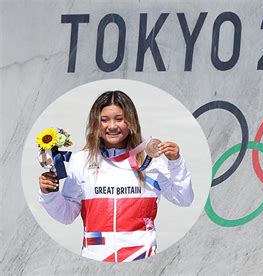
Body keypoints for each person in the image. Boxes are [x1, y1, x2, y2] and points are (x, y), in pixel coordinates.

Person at [38, 90, 194, 262]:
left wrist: (176, 162)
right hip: (95, 260)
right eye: (104, 120)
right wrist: (49, 194)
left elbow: (184, 198)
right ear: (96, 123)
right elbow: (66, 215)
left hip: (141, 260)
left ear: (131, 121)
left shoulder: (149, 160)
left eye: (119, 119)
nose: (112, 126)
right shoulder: (80, 160)